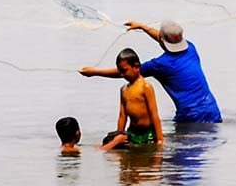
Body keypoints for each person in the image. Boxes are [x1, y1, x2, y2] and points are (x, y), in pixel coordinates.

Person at [80, 20, 222, 124]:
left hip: (191, 116)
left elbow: (126, 72)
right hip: (212, 110)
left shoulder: (161, 64)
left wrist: (95, 72)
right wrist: (144, 27)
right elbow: (164, 39)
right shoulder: (191, 48)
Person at [101, 48, 164, 150]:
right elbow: (122, 115)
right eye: (120, 71)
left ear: (136, 66)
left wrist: (160, 139)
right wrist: (119, 135)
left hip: (148, 133)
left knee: (147, 157)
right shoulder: (124, 89)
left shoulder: (146, 87)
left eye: (124, 70)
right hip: (132, 132)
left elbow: (154, 115)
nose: (122, 74)